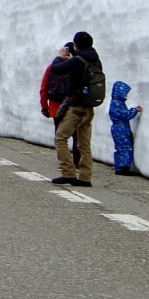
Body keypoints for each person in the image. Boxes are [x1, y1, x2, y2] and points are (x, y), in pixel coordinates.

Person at [46, 35, 96, 186]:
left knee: (60, 138)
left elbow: (55, 69)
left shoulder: (77, 60)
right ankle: (85, 177)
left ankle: (68, 173)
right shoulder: (94, 58)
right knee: (84, 143)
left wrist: (59, 57)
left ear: (75, 45)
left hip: (76, 106)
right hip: (89, 106)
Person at [109, 80, 143, 175]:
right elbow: (125, 115)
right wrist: (135, 110)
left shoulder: (116, 102)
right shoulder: (117, 103)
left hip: (117, 128)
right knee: (125, 147)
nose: (126, 95)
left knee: (119, 147)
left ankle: (119, 166)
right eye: (125, 93)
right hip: (121, 128)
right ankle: (124, 167)